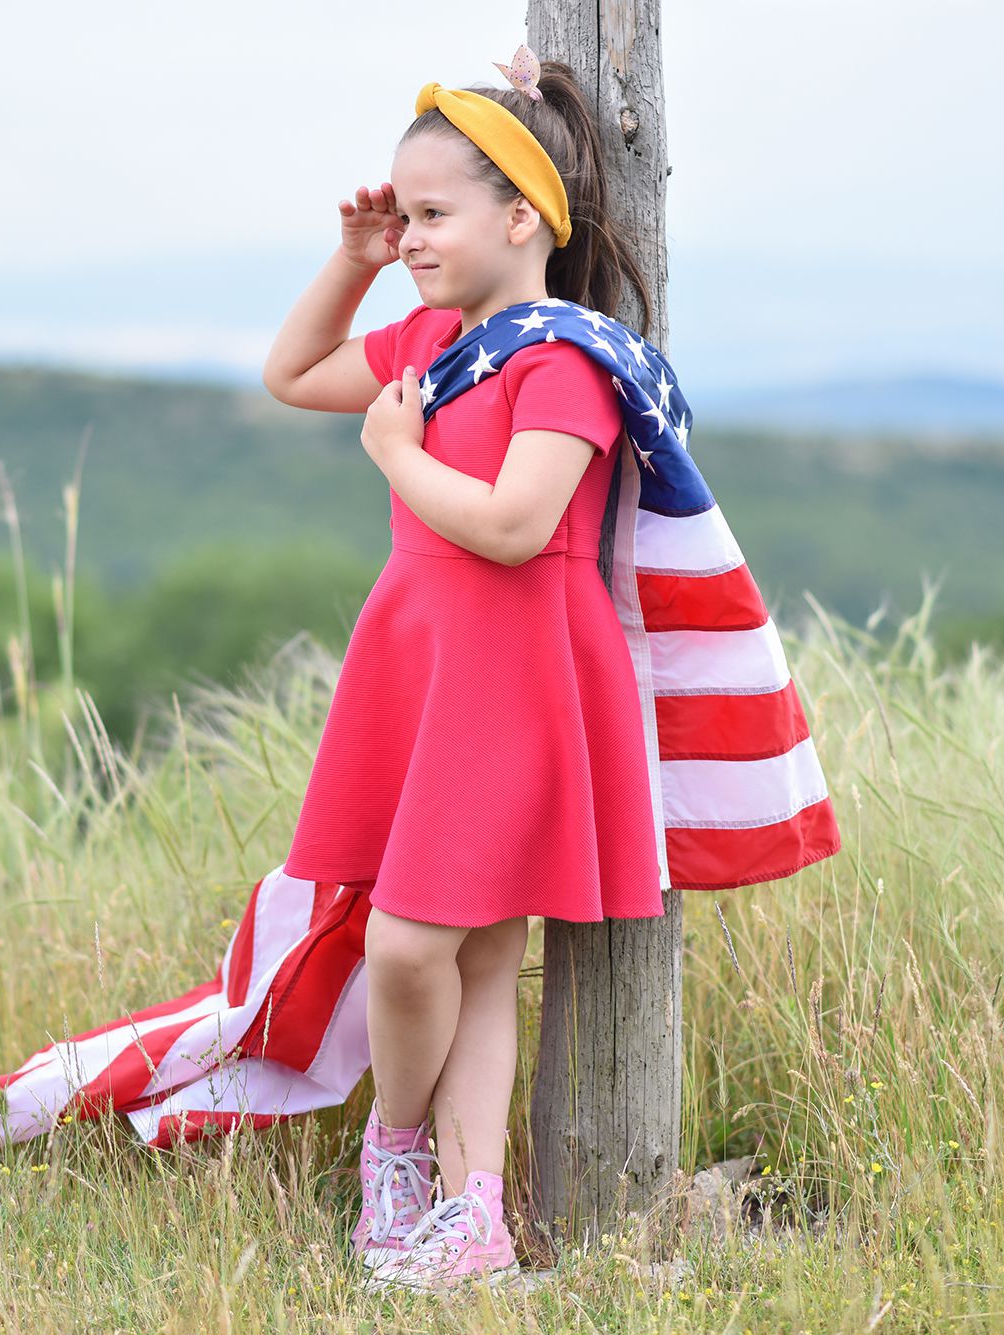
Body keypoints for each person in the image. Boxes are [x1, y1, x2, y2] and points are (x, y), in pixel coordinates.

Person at [261, 49, 841, 1293]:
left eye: (430, 217)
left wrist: (395, 461)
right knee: (460, 958)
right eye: (401, 217)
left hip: (519, 675)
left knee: (414, 945)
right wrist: (352, 260)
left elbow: (519, 525)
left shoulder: (561, 359)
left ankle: (399, 1155)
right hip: (426, 660)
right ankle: (465, 1209)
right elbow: (291, 374)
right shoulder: (429, 335)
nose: (410, 239)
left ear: (519, 214)